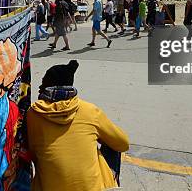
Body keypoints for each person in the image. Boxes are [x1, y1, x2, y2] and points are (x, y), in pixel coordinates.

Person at [27, 60, 129, 190]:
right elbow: (123, 144)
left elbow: (33, 152)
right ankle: (108, 185)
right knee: (112, 144)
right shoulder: (89, 110)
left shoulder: (33, 114)